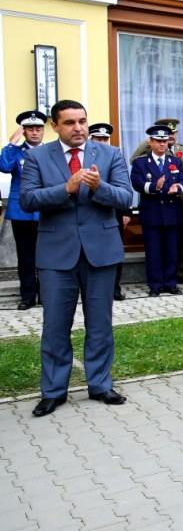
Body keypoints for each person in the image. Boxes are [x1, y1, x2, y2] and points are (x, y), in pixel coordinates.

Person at [20, 99, 134, 417]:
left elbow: (127, 197)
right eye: (69, 123)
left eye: (82, 121)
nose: (79, 128)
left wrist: (100, 187)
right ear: (55, 126)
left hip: (101, 253)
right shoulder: (37, 157)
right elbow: (27, 199)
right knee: (55, 325)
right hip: (56, 256)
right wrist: (65, 188)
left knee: (100, 325)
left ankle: (99, 384)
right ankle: (54, 391)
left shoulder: (110, 154)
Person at [131, 117, 183, 285]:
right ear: (150, 142)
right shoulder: (141, 163)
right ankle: (155, 284)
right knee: (154, 251)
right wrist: (154, 187)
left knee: (172, 250)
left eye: (165, 141)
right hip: (152, 212)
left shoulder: (176, 161)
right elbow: (136, 183)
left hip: (173, 212)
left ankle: (171, 283)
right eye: (158, 141)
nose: (162, 144)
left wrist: (178, 188)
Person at [1, 110, 45, 309]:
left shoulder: (51, 151)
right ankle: (27, 295)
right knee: (25, 256)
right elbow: (4, 166)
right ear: (24, 131)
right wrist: (12, 143)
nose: (35, 133)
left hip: (46, 210)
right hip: (22, 212)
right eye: (30, 129)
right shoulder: (16, 152)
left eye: (38, 128)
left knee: (47, 256)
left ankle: (46, 294)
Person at [88, 123, 131, 301]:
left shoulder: (114, 155)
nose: (103, 142)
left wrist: (126, 211)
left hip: (114, 212)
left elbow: (123, 185)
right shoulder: (86, 157)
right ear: (91, 139)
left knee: (114, 250)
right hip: (91, 211)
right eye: (98, 138)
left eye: (105, 138)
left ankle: (115, 287)